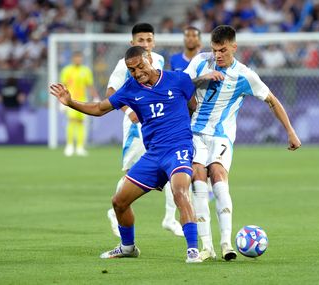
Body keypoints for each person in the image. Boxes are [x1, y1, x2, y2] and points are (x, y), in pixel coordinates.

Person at [50, 46, 202, 263]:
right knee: (119, 201)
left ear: (150, 58)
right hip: (153, 155)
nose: (137, 72)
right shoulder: (130, 88)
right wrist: (71, 102)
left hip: (178, 149)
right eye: (132, 70)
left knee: (180, 191)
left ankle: (193, 251)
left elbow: (193, 106)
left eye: (140, 66)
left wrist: (182, 129)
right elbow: (100, 109)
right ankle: (128, 247)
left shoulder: (179, 80)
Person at [184, 25, 301, 261]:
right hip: (195, 132)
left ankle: (226, 243)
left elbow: (271, 100)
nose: (217, 55)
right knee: (197, 177)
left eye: (223, 50)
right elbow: (181, 85)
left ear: (234, 47)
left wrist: (290, 131)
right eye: (215, 50)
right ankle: (206, 247)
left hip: (221, 135)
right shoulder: (199, 62)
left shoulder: (245, 75)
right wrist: (201, 79)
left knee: (217, 176)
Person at [105, 23, 183, 238]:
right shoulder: (124, 64)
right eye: (141, 40)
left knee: (174, 165)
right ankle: (116, 209)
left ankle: (170, 218)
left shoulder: (157, 59)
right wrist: (129, 110)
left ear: (154, 41)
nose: (146, 44)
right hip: (136, 126)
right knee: (134, 173)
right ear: (132, 43)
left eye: (149, 40)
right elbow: (111, 90)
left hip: (158, 123)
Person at [60, 51, 99, 157]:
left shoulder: (85, 71)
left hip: (83, 100)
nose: (78, 60)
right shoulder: (67, 70)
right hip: (70, 100)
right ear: (73, 58)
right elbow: (63, 85)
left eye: (80, 58)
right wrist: (61, 101)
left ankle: (80, 147)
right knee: (72, 121)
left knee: (81, 123)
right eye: (76, 58)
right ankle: (69, 145)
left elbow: (89, 85)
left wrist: (95, 97)